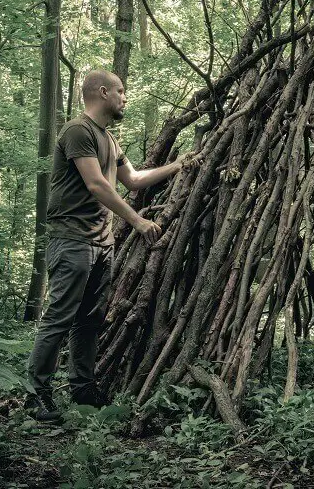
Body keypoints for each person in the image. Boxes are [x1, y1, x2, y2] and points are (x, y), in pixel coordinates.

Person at [25, 69, 198, 422]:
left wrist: (177, 166)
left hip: (101, 242)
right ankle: (36, 394)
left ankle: (82, 388)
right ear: (103, 93)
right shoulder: (78, 131)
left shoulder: (110, 140)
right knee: (59, 318)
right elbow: (97, 185)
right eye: (121, 91)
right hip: (72, 239)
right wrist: (136, 221)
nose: (125, 97)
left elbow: (132, 181)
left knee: (89, 320)